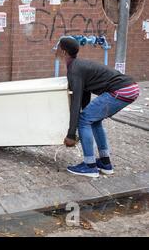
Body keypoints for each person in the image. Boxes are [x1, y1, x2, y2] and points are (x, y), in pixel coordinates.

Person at [55, 36, 140, 178]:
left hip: (121, 90)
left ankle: (89, 166)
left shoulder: (74, 69)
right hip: (130, 88)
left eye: (57, 47)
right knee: (92, 120)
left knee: (84, 120)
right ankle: (105, 163)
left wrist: (71, 134)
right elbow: (84, 96)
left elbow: (75, 103)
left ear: (64, 52)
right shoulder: (79, 65)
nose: (55, 50)